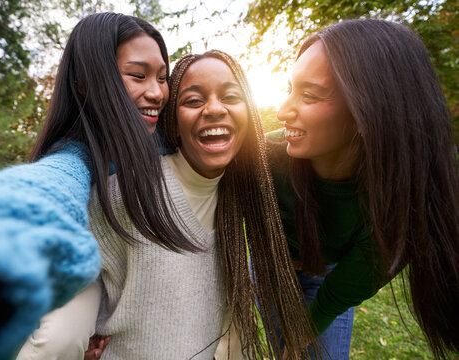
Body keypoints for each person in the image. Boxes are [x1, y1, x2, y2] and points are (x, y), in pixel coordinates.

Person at [0, 12, 194, 360]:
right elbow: (47, 188)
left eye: (162, 77)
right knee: (59, 338)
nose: (156, 92)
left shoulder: (166, 137)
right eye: (137, 75)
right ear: (86, 82)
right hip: (81, 265)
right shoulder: (74, 157)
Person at [83, 49, 318, 360]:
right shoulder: (128, 192)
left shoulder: (243, 189)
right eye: (193, 101)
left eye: (231, 97)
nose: (214, 109)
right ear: (173, 124)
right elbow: (71, 267)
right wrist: (80, 329)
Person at [266, 19, 459, 359]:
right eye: (289, 89)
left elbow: (339, 292)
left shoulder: (400, 201)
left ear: (366, 110)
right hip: (271, 267)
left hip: (330, 279)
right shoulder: (264, 157)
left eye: (309, 95)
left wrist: (299, 340)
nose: (282, 112)